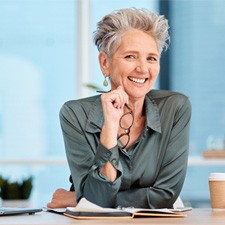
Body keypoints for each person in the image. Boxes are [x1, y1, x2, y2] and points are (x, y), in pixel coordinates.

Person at [47, 7, 191, 209]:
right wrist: (110, 129)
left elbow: (165, 194)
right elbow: (98, 200)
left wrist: (78, 199)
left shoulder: (175, 108)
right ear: (105, 63)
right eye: (131, 56)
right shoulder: (75, 115)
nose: (142, 68)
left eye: (151, 58)